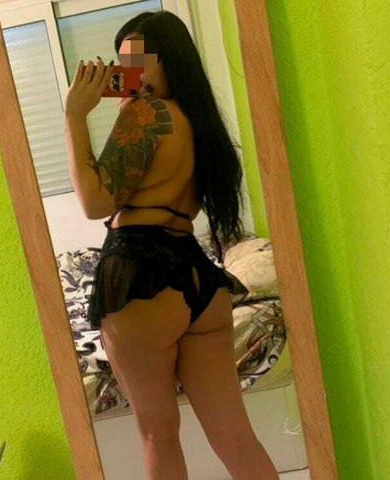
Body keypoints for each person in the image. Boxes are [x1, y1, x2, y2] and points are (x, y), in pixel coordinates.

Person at [64, 11, 279, 480]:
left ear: (169, 60)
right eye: (124, 63)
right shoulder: (199, 123)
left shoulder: (146, 114)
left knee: (157, 435)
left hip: (142, 278)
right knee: (236, 439)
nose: (132, 73)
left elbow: (95, 201)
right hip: (199, 279)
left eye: (140, 61)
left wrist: (75, 115)